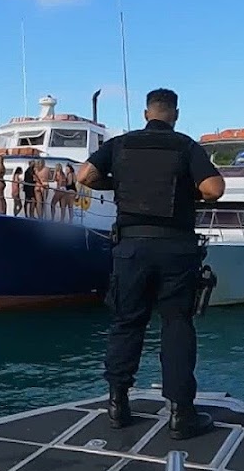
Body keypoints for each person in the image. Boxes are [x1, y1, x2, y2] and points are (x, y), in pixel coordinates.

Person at [76, 88, 226, 440]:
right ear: (174, 114)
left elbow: (84, 176)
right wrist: (186, 190)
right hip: (176, 248)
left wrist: (118, 185)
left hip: (130, 249)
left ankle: (118, 405)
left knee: (126, 323)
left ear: (147, 114)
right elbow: (214, 189)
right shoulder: (185, 146)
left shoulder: (120, 144)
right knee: (176, 325)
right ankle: (180, 414)